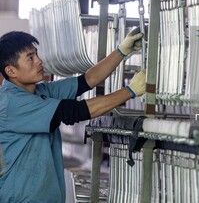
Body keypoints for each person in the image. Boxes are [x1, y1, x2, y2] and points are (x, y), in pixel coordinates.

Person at [0, 30, 146, 202]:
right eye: (30, 57)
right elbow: (76, 111)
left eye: (37, 54)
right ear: (11, 71)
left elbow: (86, 81)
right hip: (22, 198)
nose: (39, 61)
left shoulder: (39, 91)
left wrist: (121, 51)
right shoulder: (12, 103)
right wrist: (129, 91)